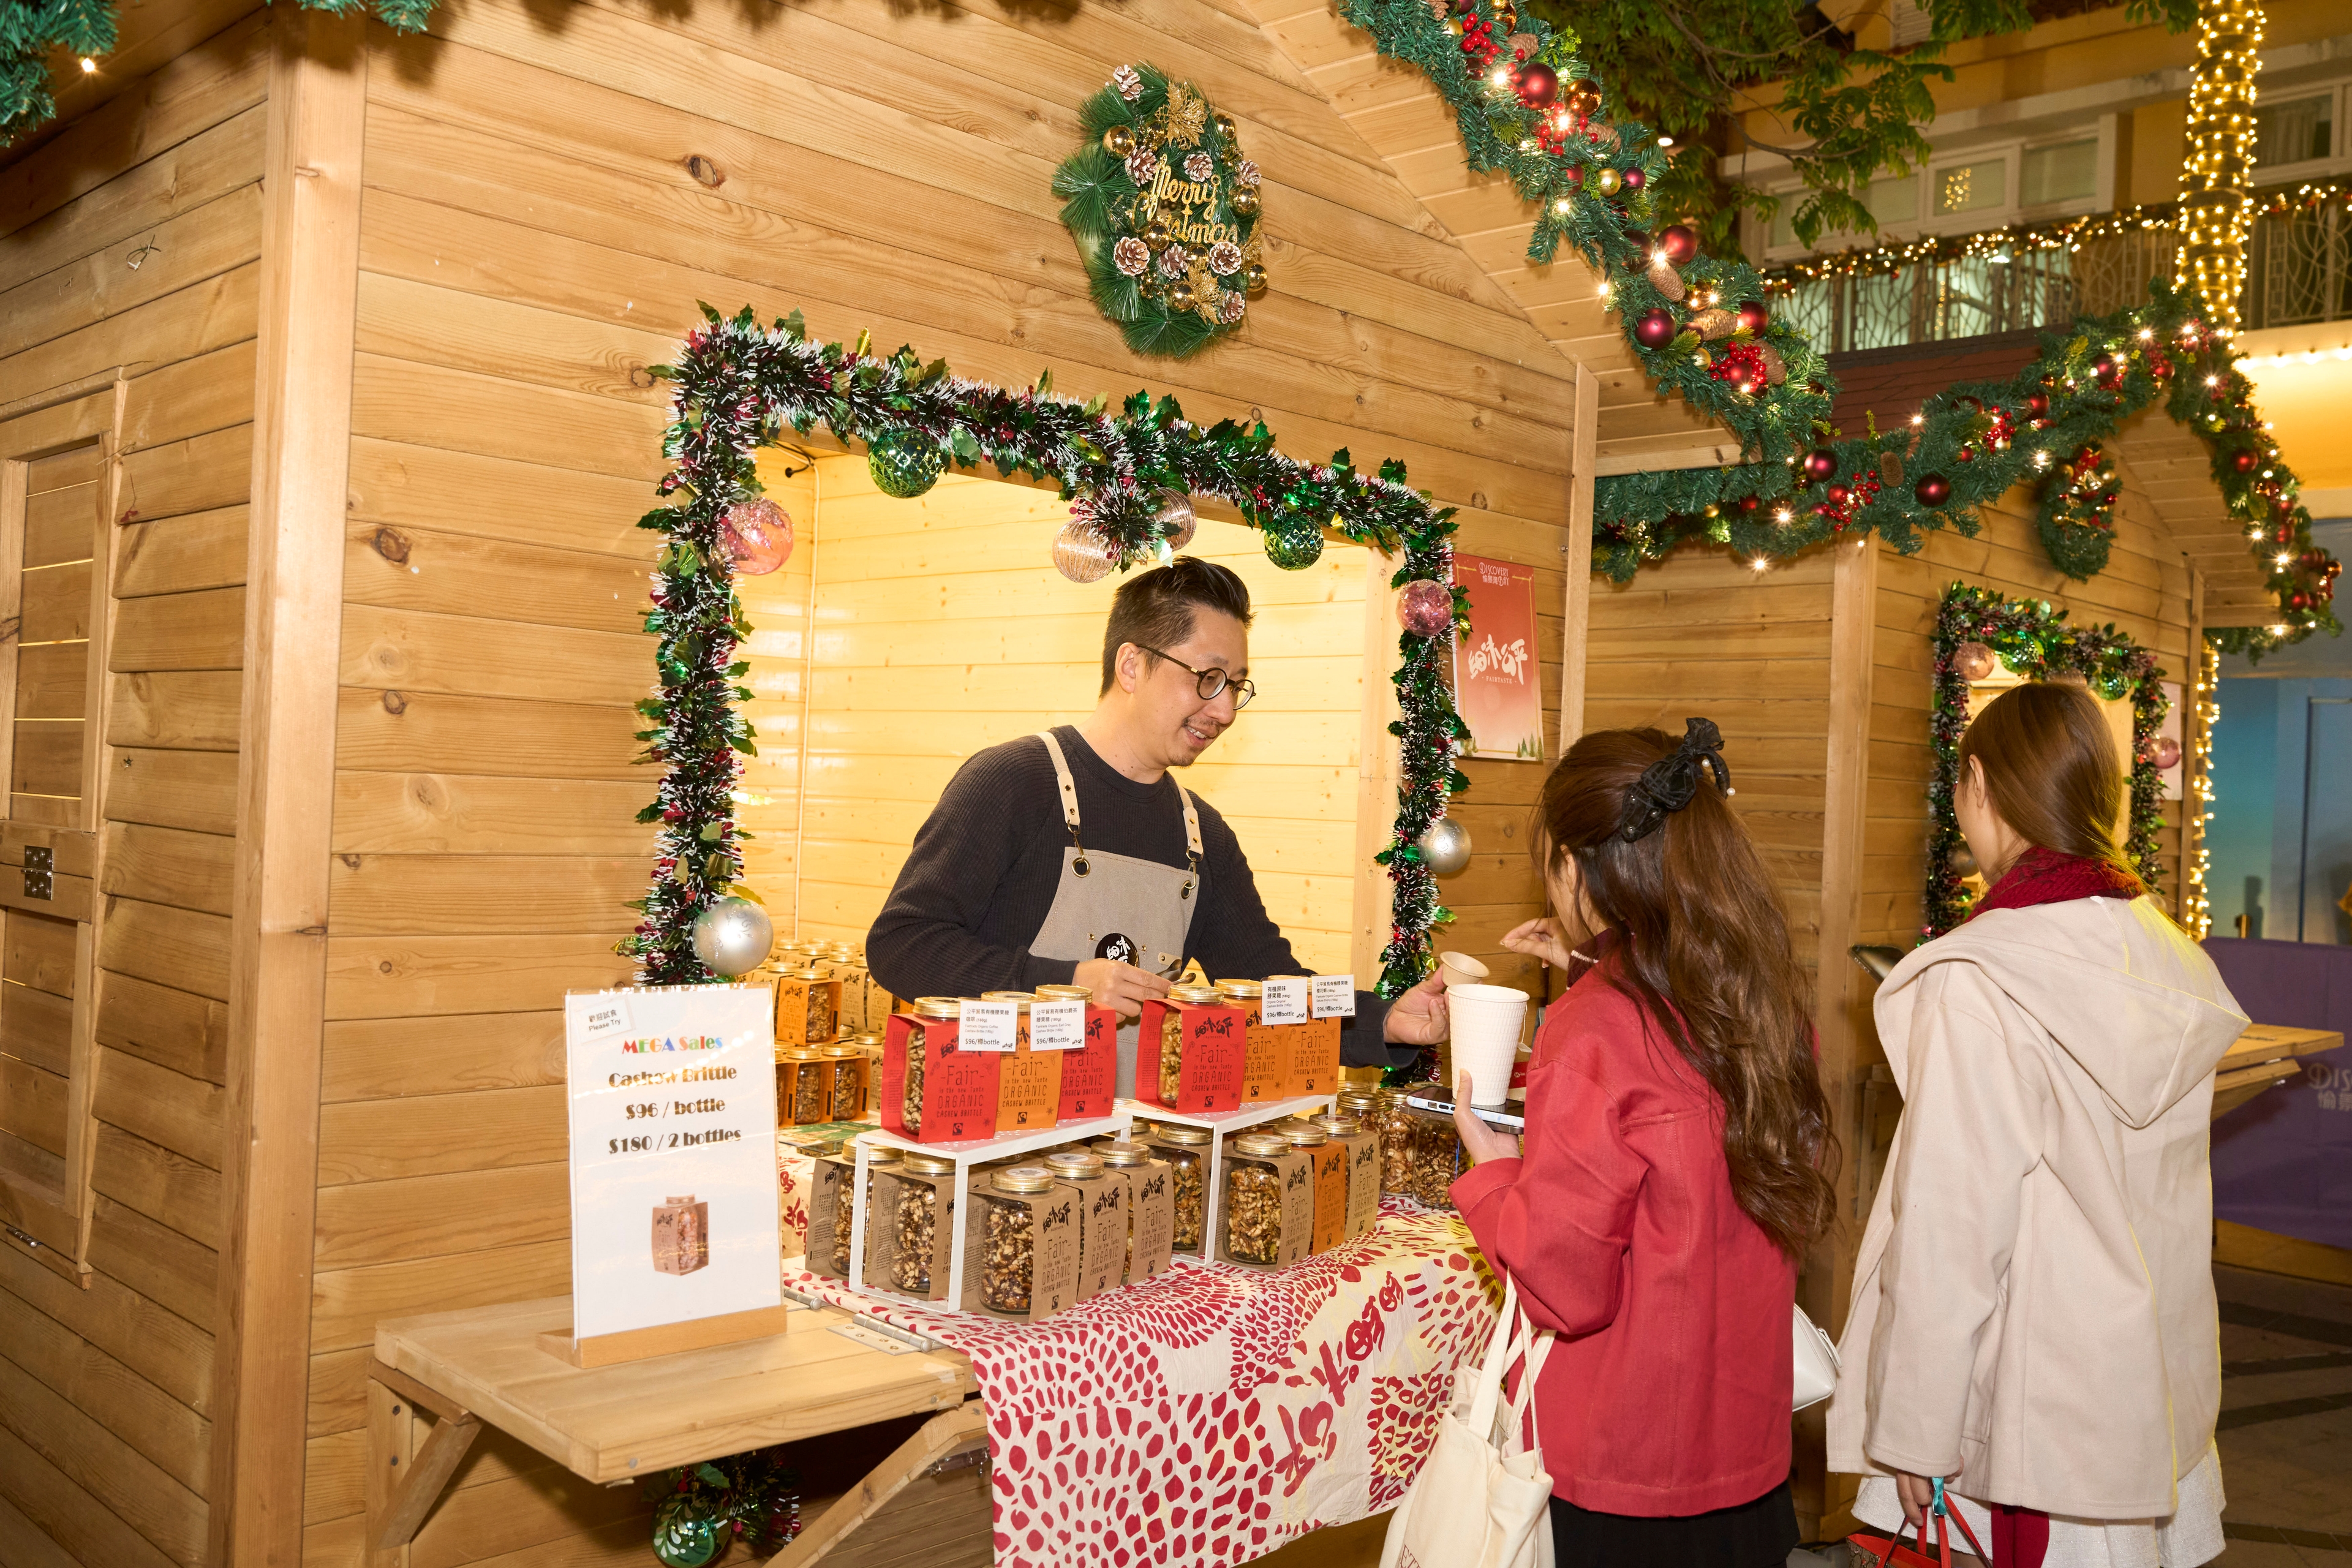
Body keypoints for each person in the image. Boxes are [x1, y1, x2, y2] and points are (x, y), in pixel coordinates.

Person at [1829, 679, 2248, 1567]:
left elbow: (1953, 1223)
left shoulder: (1987, 977)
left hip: (2028, 1413)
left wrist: (1914, 1426)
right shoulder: (2168, 956)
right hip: (2140, 1395)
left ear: (1978, 782)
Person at [1449, 720, 1839, 1568]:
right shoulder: (1763, 1005)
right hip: (1747, 1460)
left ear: (1585, 867)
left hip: (1619, 1474)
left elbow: (1566, 1286)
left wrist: (1491, 1172)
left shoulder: (1593, 1031)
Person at [867, 556, 1442, 1093]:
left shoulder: (1202, 834)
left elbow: (1267, 986)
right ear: (1132, 665)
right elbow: (901, 946)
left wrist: (1384, 1020)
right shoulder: (1015, 782)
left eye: (1235, 686)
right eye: (1208, 677)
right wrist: (1060, 986)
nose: (1222, 711)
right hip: (985, 1133)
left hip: (1127, 1150)